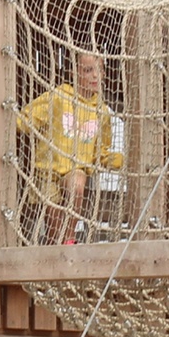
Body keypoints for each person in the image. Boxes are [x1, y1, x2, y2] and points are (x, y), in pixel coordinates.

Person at [16, 51, 126, 244]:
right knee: (54, 217)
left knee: (76, 185)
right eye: (88, 70)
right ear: (75, 73)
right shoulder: (58, 97)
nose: (95, 76)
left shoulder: (101, 111)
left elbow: (100, 152)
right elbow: (25, 119)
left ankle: (69, 239)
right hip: (48, 170)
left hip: (75, 168)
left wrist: (120, 161)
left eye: (100, 70)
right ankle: (54, 244)